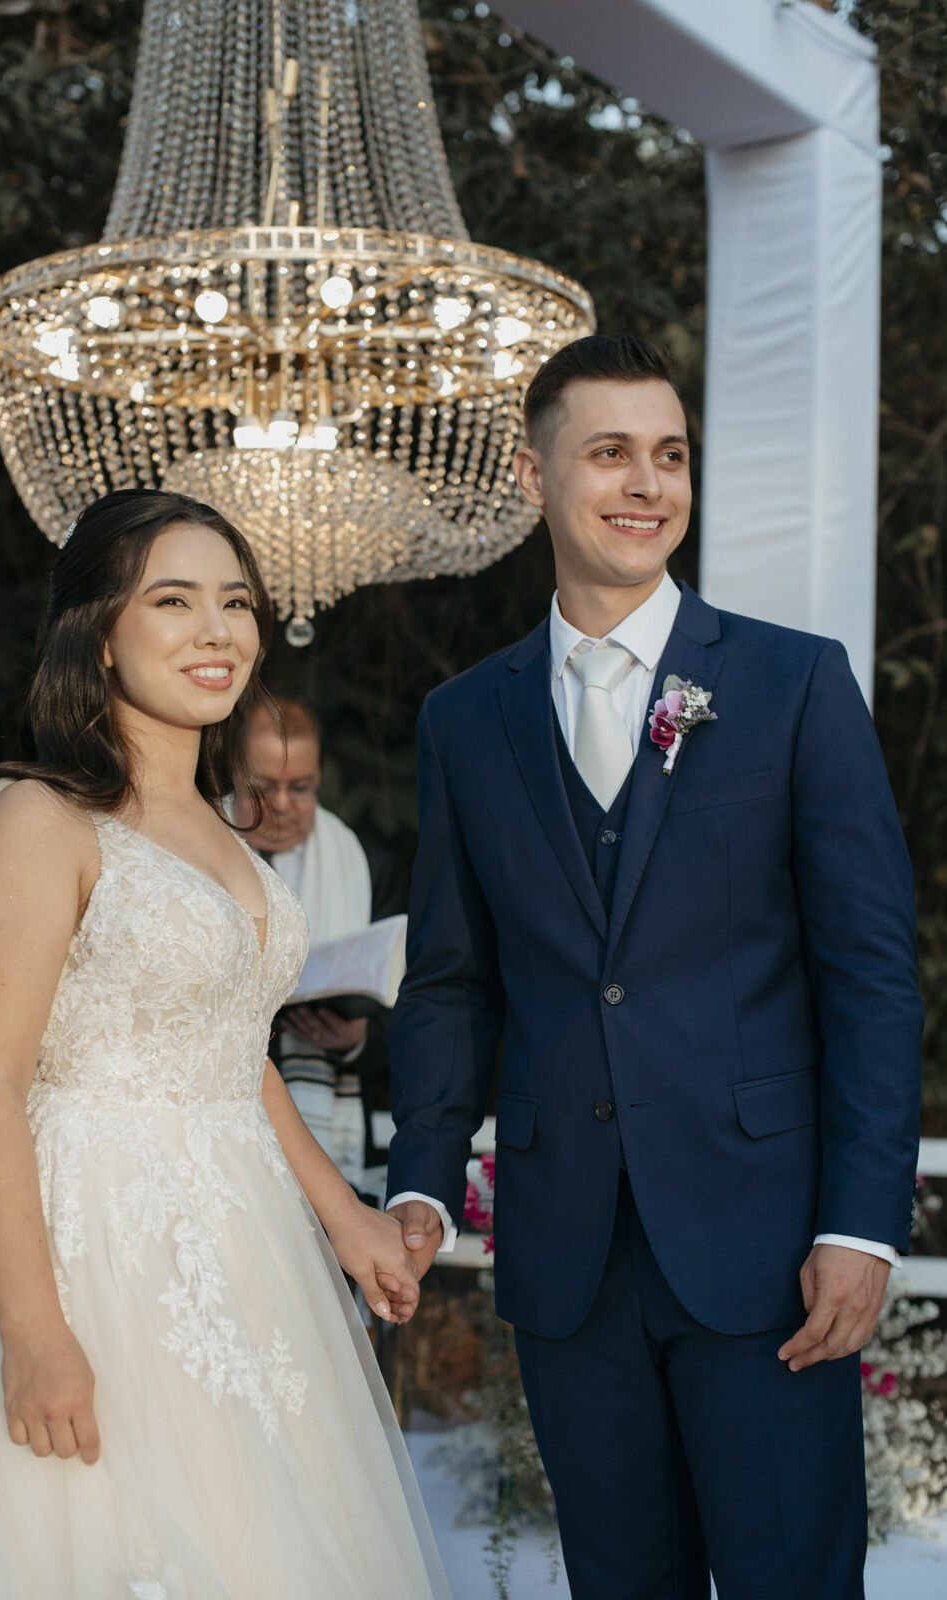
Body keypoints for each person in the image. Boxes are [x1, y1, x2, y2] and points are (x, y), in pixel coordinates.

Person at [387, 336, 922, 1599]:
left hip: (770, 1249)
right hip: (570, 1258)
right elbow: (453, 981)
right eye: (611, 452)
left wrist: (860, 1223)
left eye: (670, 455)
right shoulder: (467, 719)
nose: (648, 484)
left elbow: (871, 977)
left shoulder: (794, 684)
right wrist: (420, 1181)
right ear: (534, 474)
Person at [0, 490, 450, 1598]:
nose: (219, 630)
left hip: (243, 1251)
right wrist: (35, 1330)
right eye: (175, 600)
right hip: (89, 1249)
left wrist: (347, 1221)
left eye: (236, 602)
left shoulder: (220, 826)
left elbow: (232, 1050)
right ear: (99, 630)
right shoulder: (38, 821)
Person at [240, 696, 404, 1178]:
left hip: (329, 1106)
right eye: (265, 786)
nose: (284, 805)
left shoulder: (369, 868)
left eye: (302, 787)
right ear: (232, 771)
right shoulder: (195, 851)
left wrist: (358, 1039)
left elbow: (414, 1007)